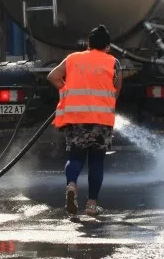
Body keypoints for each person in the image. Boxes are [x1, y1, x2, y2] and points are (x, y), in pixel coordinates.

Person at [47, 25, 123, 216]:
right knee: (96, 162)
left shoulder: (73, 58)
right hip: (101, 120)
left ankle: (71, 185)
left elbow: (53, 76)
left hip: (76, 118)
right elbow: (116, 91)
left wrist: (66, 91)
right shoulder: (114, 63)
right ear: (107, 46)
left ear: (88, 44)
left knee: (75, 157)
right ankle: (91, 204)